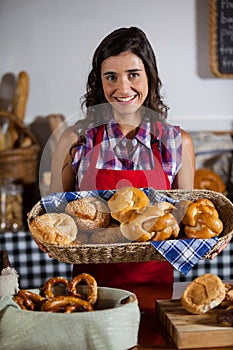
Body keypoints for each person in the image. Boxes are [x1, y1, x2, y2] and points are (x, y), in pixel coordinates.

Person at [42, 26, 196, 289]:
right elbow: (57, 215)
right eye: (111, 77)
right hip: (91, 286)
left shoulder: (177, 142)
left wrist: (212, 239)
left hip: (155, 286)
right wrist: (46, 234)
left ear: (150, 76)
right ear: (99, 83)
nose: (122, 88)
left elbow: (184, 222)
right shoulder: (74, 140)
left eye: (133, 75)